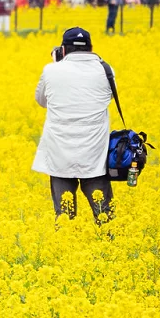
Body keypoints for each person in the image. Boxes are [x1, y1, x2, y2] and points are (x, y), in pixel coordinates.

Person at [32, 27, 115, 224]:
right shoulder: (106, 70)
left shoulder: (51, 70)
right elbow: (108, 98)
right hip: (95, 156)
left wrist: (57, 64)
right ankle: (108, 246)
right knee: (106, 217)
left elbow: (42, 100)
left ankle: (66, 249)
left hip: (60, 155)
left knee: (64, 219)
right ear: (91, 48)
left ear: (63, 50)